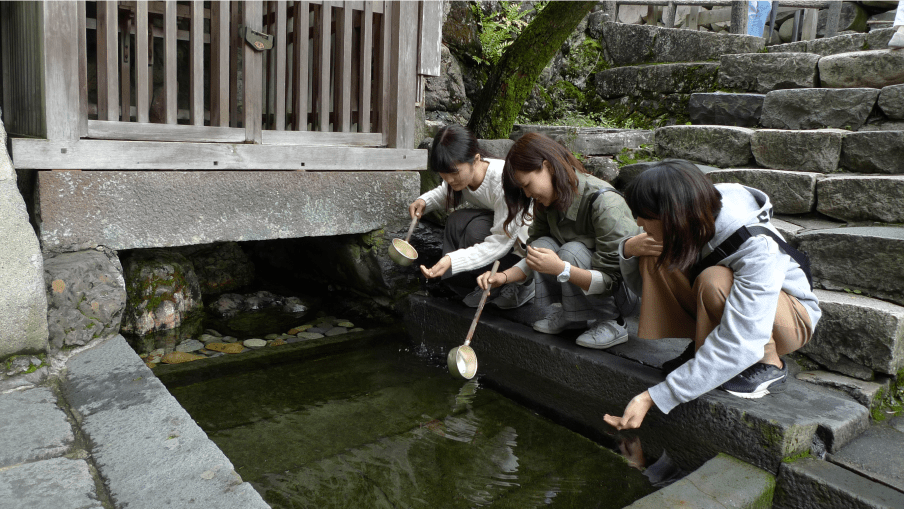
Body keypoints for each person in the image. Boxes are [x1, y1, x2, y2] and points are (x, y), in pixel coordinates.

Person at [603, 160, 821, 431]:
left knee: (714, 280)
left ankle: (769, 364)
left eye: (645, 217)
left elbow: (744, 338)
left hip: (788, 319)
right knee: (650, 249)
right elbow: (645, 289)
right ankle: (702, 344)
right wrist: (628, 249)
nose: (639, 222)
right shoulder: (693, 210)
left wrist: (655, 396)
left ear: (673, 215)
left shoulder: (756, 245)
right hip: (742, 311)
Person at [477, 132, 640, 349]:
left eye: (527, 185)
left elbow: (613, 279)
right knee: (541, 245)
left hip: (625, 293)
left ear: (548, 167)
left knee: (571, 251)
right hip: (593, 280)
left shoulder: (604, 203)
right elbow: (536, 256)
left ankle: (613, 322)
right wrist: (503, 277)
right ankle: (574, 316)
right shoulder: (548, 201)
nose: (527, 194)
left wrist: (562, 269)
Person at [411, 124, 534, 309]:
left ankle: (521, 284)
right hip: (505, 229)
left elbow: (500, 241)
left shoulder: (502, 182)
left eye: (454, 172)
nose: (449, 180)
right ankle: (478, 284)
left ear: (475, 159)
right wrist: (424, 201)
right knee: (456, 222)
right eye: (443, 174)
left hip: (525, 242)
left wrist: (452, 260)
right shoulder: (463, 177)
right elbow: (445, 192)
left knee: (474, 231)